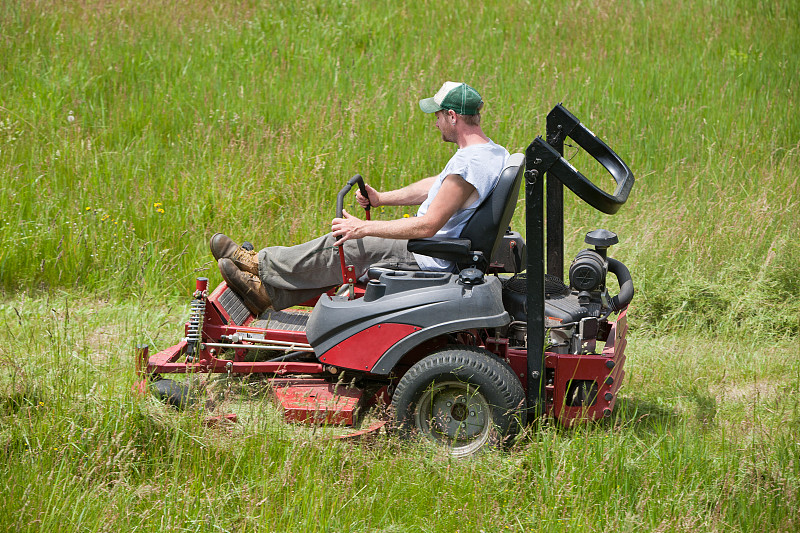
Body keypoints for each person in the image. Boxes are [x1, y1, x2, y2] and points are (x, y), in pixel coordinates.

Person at [212, 82, 510, 315]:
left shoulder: (469, 164)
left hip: (428, 255)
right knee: (346, 251)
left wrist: (363, 229)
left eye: (437, 115)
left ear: (452, 116)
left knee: (349, 242)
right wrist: (382, 199)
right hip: (439, 250)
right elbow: (439, 186)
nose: (435, 123)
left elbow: (427, 226)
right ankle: (265, 293)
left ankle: (258, 264)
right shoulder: (491, 152)